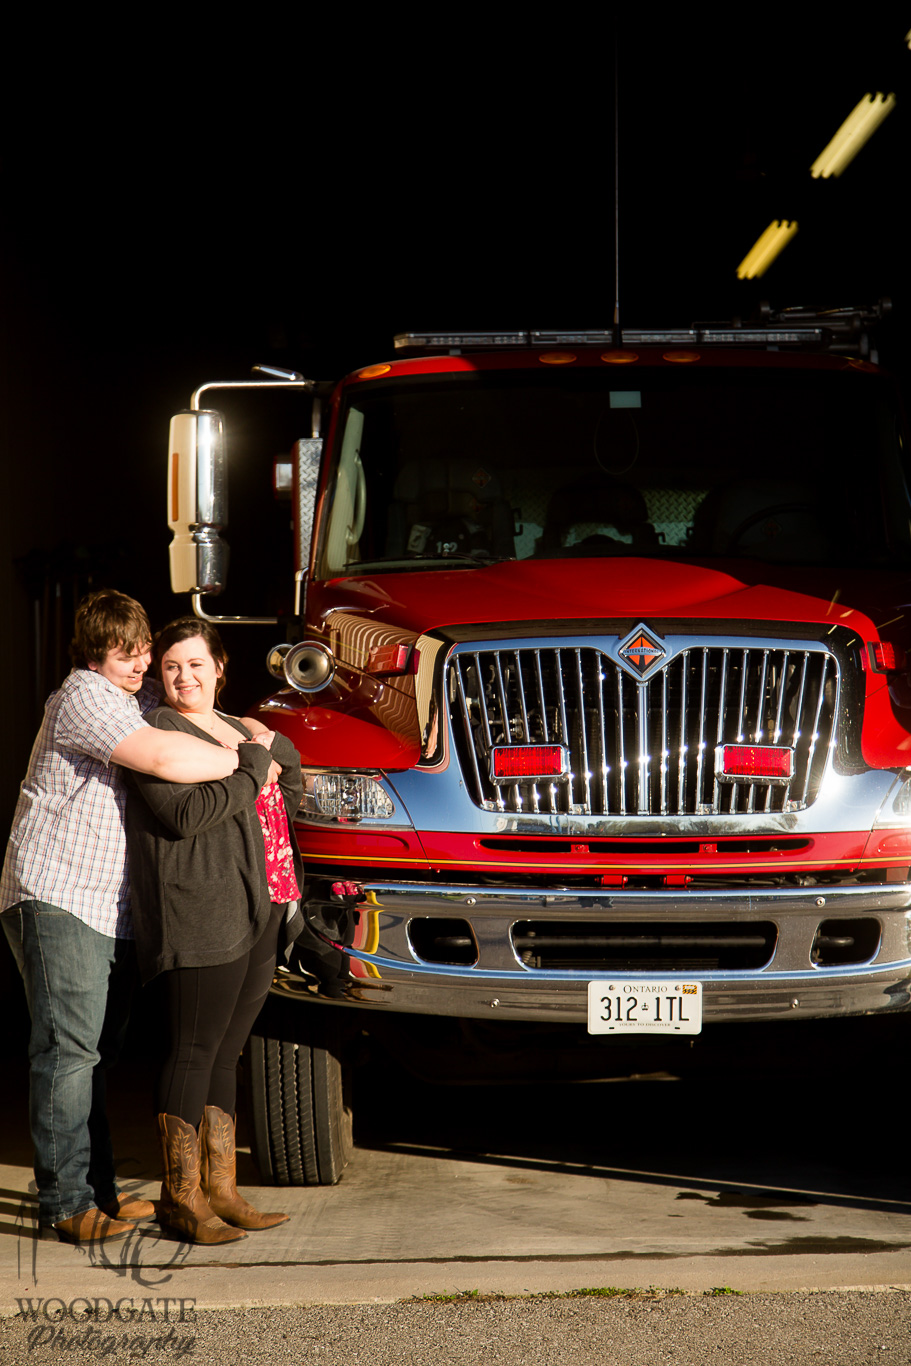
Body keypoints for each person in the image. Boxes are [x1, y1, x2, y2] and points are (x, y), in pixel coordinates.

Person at [0, 590, 253, 1246]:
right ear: (92, 654)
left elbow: (199, 723)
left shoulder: (133, 701)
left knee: (97, 1057)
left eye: (144, 650)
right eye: (125, 652)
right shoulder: (83, 696)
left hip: (109, 908)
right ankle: (65, 1202)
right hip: (59, 895)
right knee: (68, 1053)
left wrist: (258, 739)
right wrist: (249, 766)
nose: (141, 663)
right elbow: (172, 758)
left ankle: (101, 1195)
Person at [125, 618, 304, 1245]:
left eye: (196, 664)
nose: (184, 677)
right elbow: (185, 813)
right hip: (199, 905)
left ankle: (222, 1190)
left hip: (261, 902)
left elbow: (295, 767)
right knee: (191, 1050)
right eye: (171, 666)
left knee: (226, 1052)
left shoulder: (236, 729)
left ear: (220, 667)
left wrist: (256, 750)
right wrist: (253, 768)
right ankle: (181, 1199)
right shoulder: (157, 734)